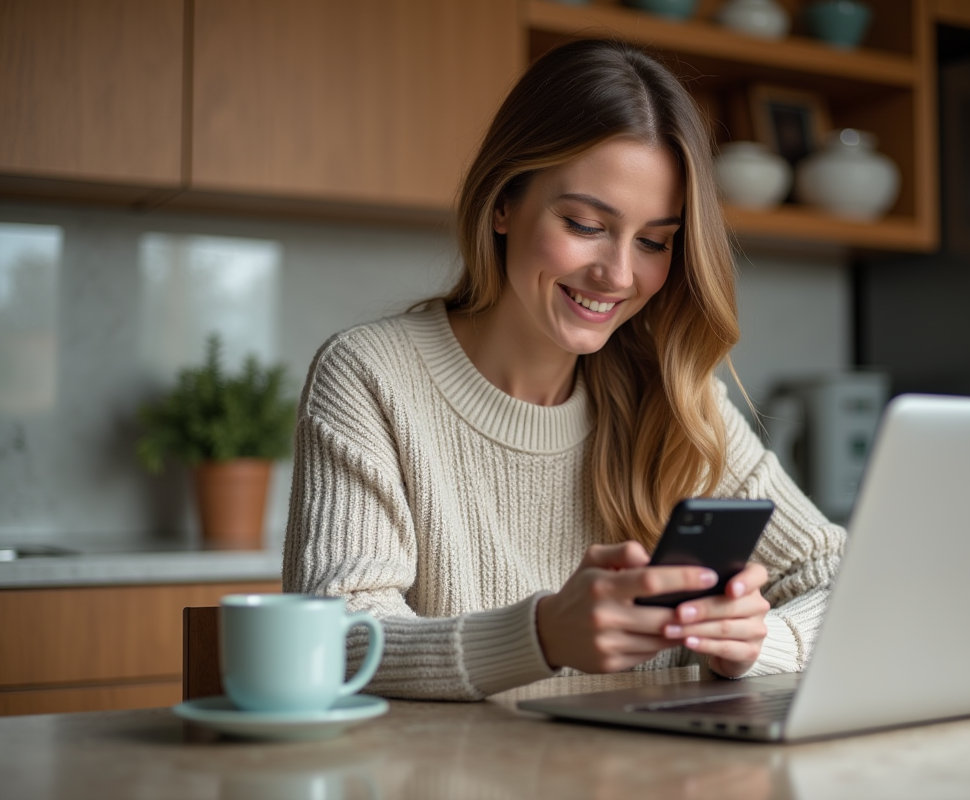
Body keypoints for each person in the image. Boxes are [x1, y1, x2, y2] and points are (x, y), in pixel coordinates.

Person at [282, 38, 846, 701]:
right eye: (584, 224)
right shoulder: (371, 376)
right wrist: (542, 636)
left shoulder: (675, 398)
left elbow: (841, 576)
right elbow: (334, 637)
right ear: (503, 203)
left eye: (654, 242)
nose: (618, 275)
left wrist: (755, 644)